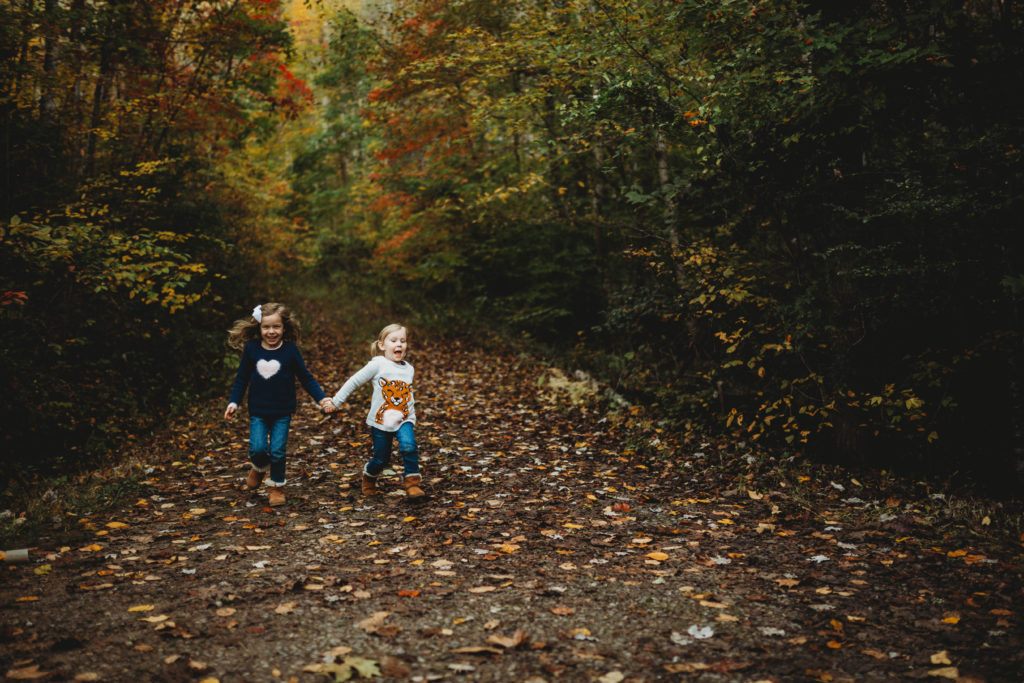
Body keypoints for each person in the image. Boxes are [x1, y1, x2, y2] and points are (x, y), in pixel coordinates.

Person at [224, 302, 334, 506]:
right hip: (258, 409)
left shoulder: (290, 351)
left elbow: (306, 377)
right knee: (257, 448)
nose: (271, 331)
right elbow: (242, 378)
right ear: (259, 328)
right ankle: (258, 467)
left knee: (277, 450)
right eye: (266, 327)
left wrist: (322, 398)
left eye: (276, 327)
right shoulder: (251, 349)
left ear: (284, 328)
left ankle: (276, 487)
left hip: (283, 410)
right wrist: (234, 402)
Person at [330, 323, 426, 502]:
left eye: (403, 341)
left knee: (409, 446)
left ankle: (412, 483)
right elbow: (354, 381)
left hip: (405, 418)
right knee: (381, 459)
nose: (399, 344)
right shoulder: (378, 365)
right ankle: (370, 475)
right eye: (394, 340)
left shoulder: (409, 368)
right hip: (380, 420)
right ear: (382, 345)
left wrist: (410, 415)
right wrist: (336, 401)